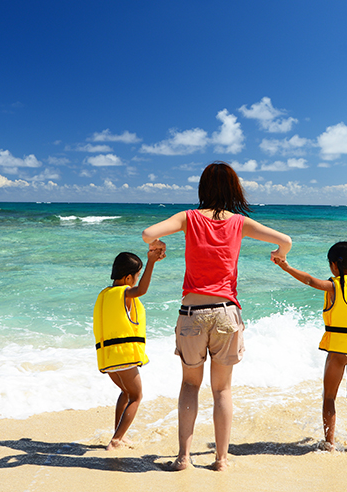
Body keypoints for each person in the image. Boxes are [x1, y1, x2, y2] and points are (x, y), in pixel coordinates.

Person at [142, 161, 292, 471]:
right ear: (234, 190)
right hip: (226, 313)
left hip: (192, 313)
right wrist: (281, 257)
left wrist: (156, 246)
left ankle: (184, 458)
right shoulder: (240, 223)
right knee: (222, 389)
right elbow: (285, 240)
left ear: (203, 189)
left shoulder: (189, 218)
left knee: (190, 385)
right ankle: (221, 460)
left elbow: (148, 233)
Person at [273, 241, 347, 454]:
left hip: (339, 349)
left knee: (329, 396)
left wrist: (287, 267)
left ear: (334, 265)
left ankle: (329, 444)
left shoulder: (336, 285)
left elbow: (310, 281)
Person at [93, 249, 164, 450]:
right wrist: (152, 262)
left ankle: (119, 435)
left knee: (125, 392)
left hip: (108, 358)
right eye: (137, 275)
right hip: (124, 356)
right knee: (136, 396)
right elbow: (142, 290)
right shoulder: (125, 293)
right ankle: (116, 441)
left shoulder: (105, 294)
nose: (137, 279)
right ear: (127, 277)